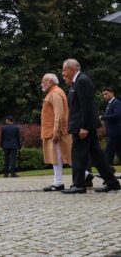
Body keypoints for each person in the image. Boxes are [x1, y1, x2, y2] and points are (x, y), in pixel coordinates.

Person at [60, 59, 121, 194]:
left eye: (64, 70)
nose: (63, 73)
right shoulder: (76, 82)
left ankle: (79, 185)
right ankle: (113, 183)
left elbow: (87, 106)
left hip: (83, 126)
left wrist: (84, 127)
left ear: (71, 69)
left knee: (78, 155)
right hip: (83, 124)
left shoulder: (82, 81)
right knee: (97, 156)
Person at [40, 73, 72, 191]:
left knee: (59, 157)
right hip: (52, 131)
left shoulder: (55, 93)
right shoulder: (53, 93)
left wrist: (56, 132)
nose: (42, 83)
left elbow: (59, 115)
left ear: (51, 81)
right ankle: (85, 174)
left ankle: (58, 182)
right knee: (61, 156)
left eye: (44, 81)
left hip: (55, 132)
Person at [101, 87, 121, 166]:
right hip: (113, 132)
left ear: (112, 93)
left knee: (109, 152)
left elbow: (117, 115)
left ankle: (108, 172)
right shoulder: (109, 104)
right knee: (119, 152)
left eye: (106, 94)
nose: (104, 96)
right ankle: (109, 172)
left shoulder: (116, 102)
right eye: (103, 95)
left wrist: (103, 117)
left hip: (116, 132)